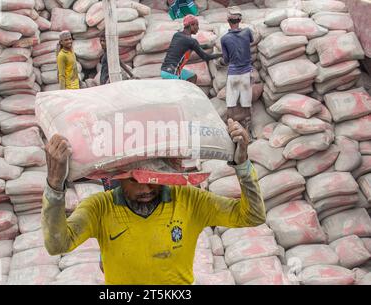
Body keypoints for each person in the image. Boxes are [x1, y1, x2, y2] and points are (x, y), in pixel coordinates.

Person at [41, 118, 266, 284]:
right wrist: (54, 185)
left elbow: (252, 215)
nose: (146, 187)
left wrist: (243, 166)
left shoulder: (189, 200)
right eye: (134, 179)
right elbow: (57, 244)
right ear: (117, 178)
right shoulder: (100, 208)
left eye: (153, 178)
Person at [161, 15, 223, 84]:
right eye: (197, 25)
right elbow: (205, 57)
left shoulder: (177, 35)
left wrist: (208, 45)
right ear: (191, 25)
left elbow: (195, 46)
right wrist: (221, 55)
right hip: (172, 72)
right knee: (178, 92)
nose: (198, 28)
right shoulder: (191, 41)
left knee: (192, 77)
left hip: (165, 70)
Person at [220, 6, 254, 132]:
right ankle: (248, 130)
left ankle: (231, 129)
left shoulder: (224, 39)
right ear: (240, 21)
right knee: (246, 105)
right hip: (246, 74)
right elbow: (251, 41)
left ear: (228, 22)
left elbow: (226, 60)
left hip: (233, 74)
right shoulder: (247, 32)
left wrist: (220, 62)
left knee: (231, 105)